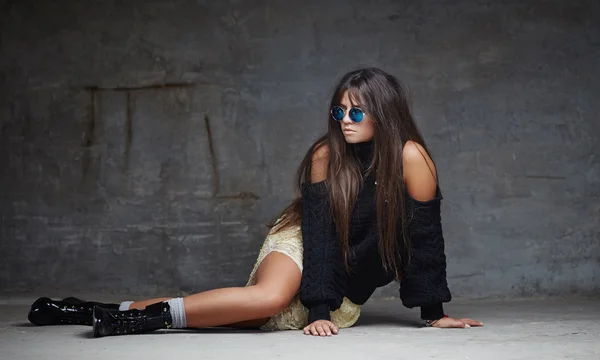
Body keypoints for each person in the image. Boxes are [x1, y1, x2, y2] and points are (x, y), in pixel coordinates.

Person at [27, 67, 483, 337]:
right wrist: (318, 311)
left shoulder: (411, 159)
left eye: (356, 112)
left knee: (248, 315)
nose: (344, 120)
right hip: (304, 242)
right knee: (269, 296)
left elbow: (422, 239)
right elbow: (320, 235)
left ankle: (88, 310)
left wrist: (434, 315)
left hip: (347, 270)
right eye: (338, 111)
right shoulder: (326, 154)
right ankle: (137, 321)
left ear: (383, 114)